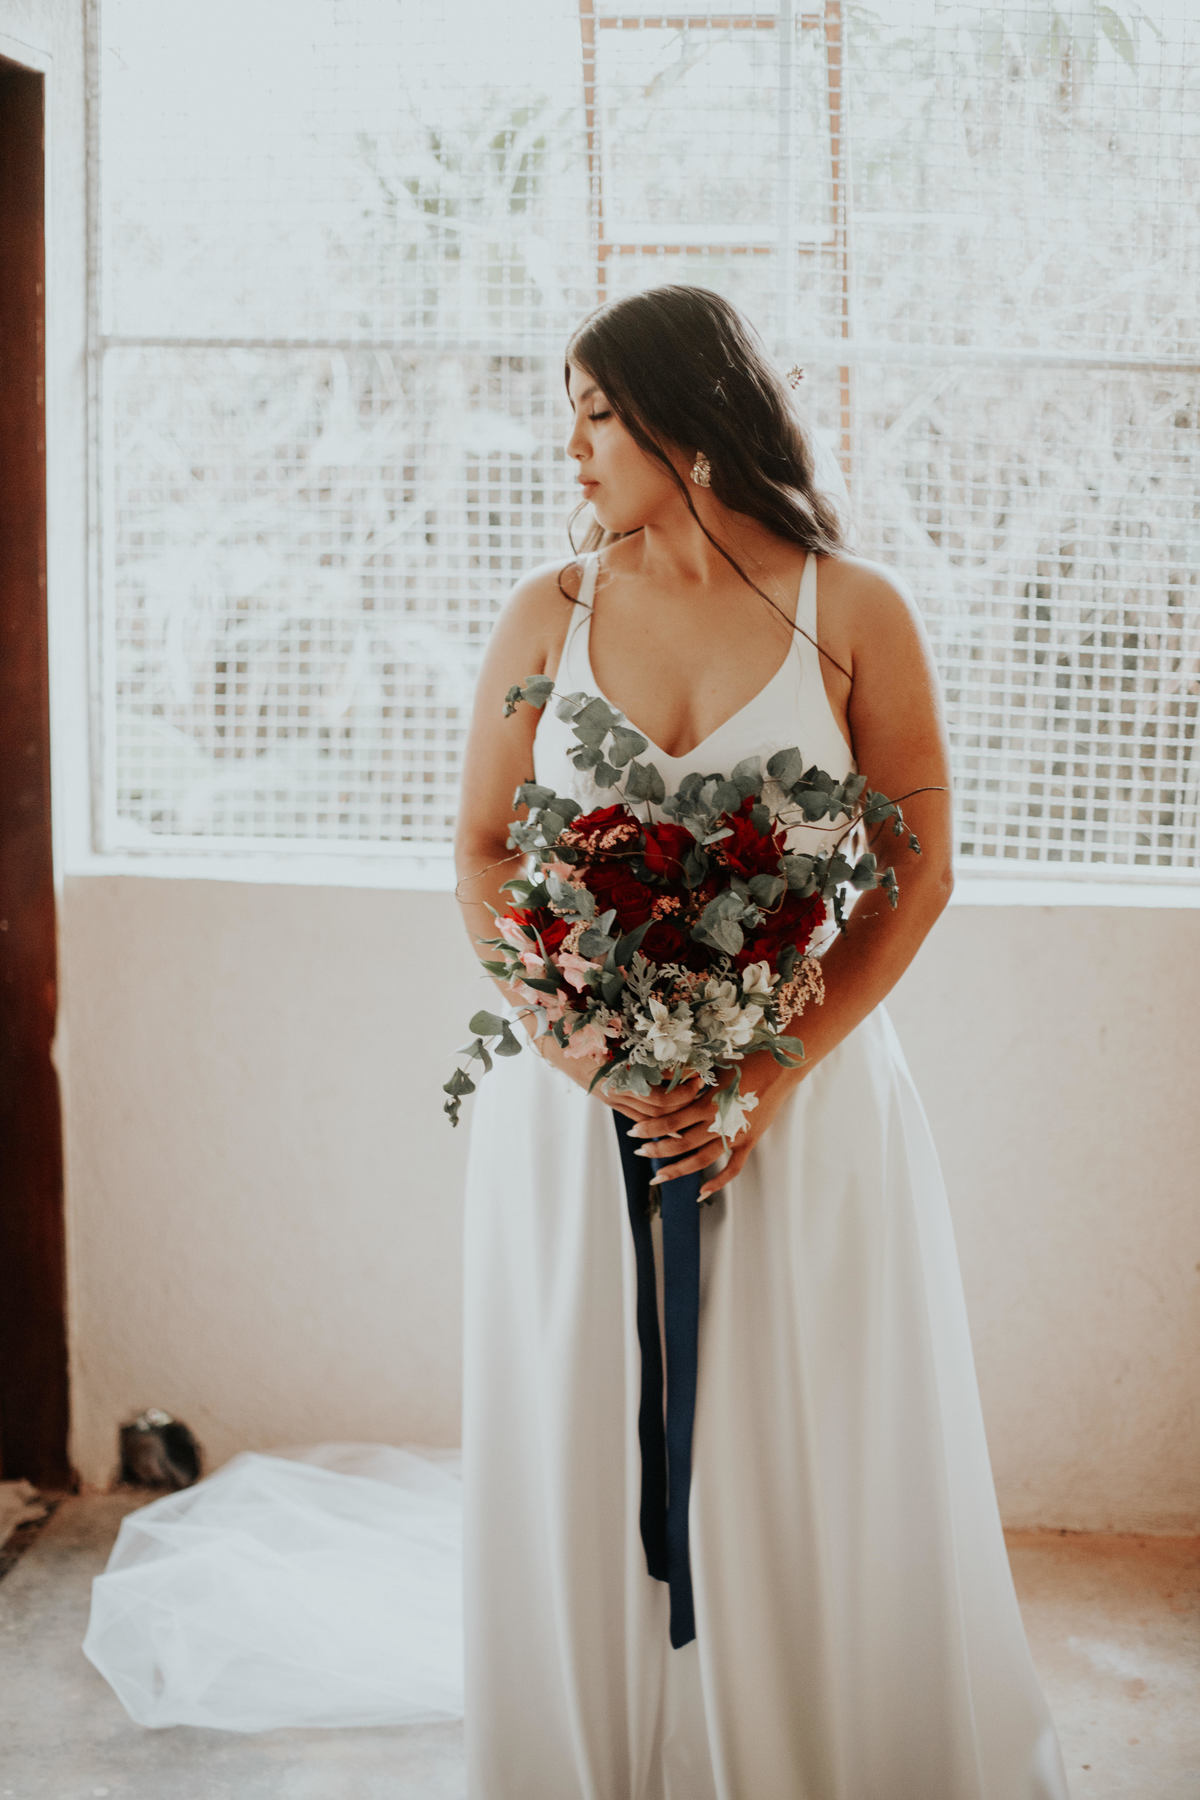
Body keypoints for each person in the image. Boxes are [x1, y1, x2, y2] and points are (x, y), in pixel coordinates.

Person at [453, 285, 1070, 1799]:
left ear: (689, 424)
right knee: (590, 1424)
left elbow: (916, 867)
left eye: (598, 415)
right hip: (584, 1107)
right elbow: (483, 852)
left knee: (797, 1435)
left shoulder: (852, 612)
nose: (571, 449)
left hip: (797, 1104)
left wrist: (758, 1077)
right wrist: (584, 1048)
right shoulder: (547, 613)